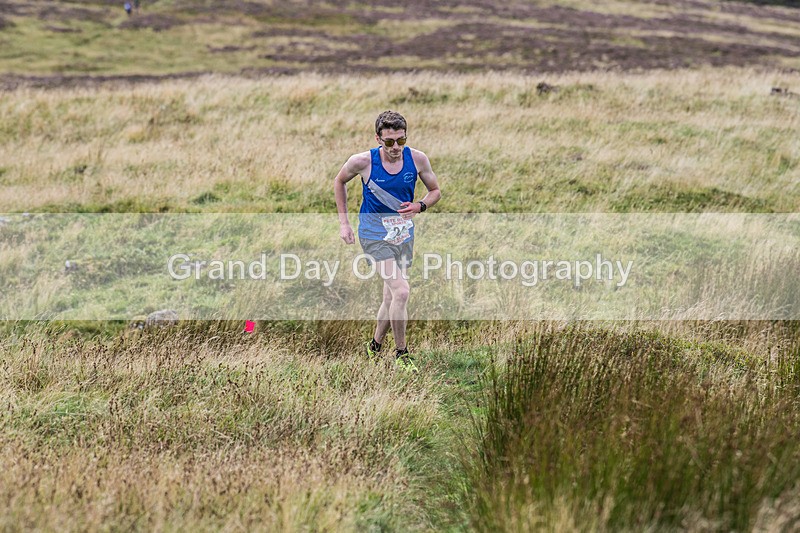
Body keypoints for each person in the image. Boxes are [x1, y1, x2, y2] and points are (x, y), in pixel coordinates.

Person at [333, 110, 441, 372]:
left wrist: (420, 206)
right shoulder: (362, 161)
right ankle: (402, 354)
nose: (395, 148)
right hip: (373, 235)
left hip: (402, 235)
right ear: (378, 139)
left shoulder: (417, 159)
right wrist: (344, 223)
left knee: (390, 296)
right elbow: (339, 181)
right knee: (402, 291)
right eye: (389, 142)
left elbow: (435, 191)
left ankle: (374, 347)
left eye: (400, 141)